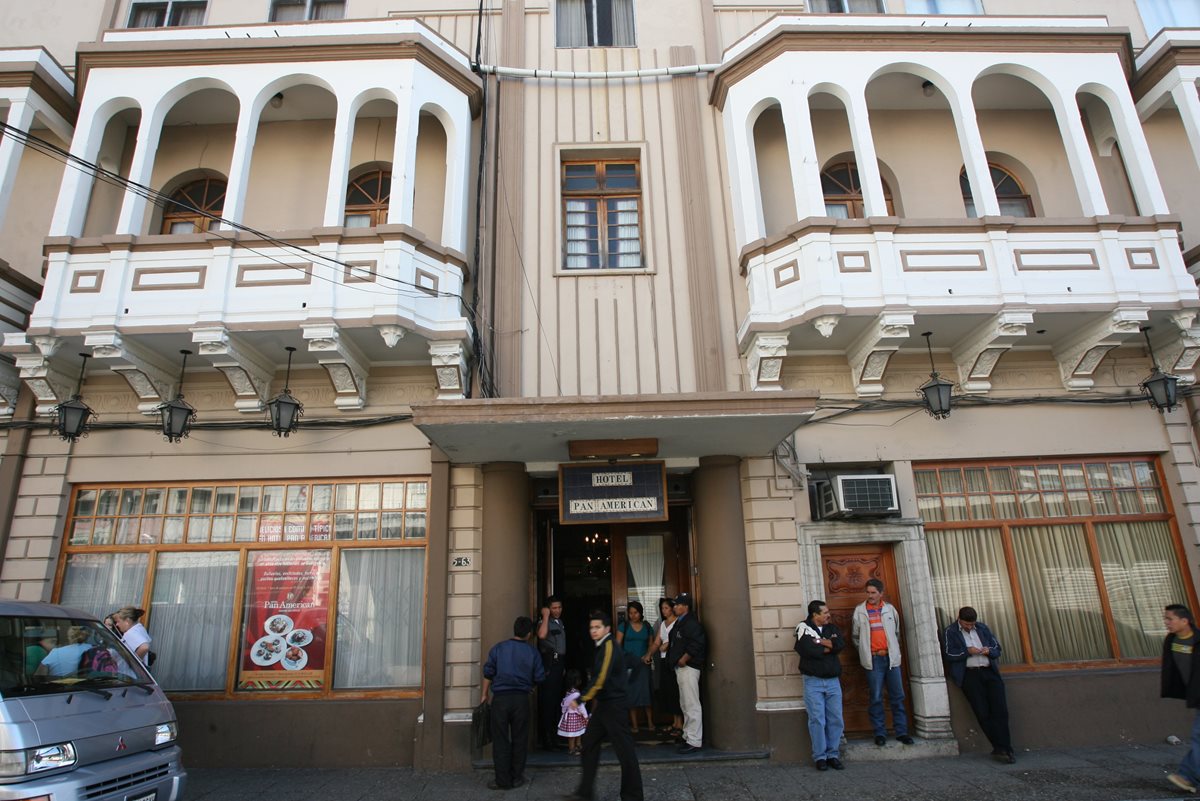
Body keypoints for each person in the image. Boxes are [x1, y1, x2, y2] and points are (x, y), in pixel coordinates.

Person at [564, 610, 643, 801]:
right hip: (606, 705)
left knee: (625, 753)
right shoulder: (601, 646)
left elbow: (600, 678)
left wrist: (581, 699)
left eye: (597, 627)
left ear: (607, 629)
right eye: (591, 627)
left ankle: (633, 796)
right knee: (589, 744)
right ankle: (585, 793)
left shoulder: (608, 645)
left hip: (614, 706)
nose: (594, 631)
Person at [481, 615, 545, 791]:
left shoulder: (498, 648)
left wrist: (484, 694)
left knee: (500, 739)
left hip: (500, 699)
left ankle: (502, 780)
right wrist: (530, 687)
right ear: (530, 633)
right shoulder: (532, 652)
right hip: (521, 700)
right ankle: (517, 777)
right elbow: (539, 677)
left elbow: (488, 672)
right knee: (520, 739)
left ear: (514, 630)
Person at [943, 606, 1014, 764]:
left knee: (1000, 710)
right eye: (967, 624)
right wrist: (968, 651)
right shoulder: (951, 631)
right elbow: (949, 654)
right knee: (982, 712)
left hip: (989, 672)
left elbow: (997, 648)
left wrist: (988, 651)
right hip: (970, 675)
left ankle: (1005, 748)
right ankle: (1000, 747)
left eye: (972, 624)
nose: (969, 627)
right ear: (959, 619)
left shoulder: (982, 628)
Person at [852, 578, 912, 746]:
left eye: (873, 593)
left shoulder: (889, 610)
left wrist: (892, 650)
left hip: (891, 659)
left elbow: (897, 633)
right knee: (876, 697)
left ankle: (901, 732)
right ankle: (880, 733)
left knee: (897, 696)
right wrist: (865, 651)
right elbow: (856, 637)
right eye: (868, 592)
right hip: (874, 659)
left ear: (881, 593)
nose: (870, 596)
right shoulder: (860, 611)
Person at [796, 599, 845, 771]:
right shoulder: (803, 628)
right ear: (814, 615)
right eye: (824, 613)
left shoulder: (832, 628)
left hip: (833, 681)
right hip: (813, 681)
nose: (828, 615)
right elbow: (808, 650)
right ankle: (820, 757)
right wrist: (827, 645)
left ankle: (833, 754)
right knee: (817, 719)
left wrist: (821, 642)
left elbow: (839, 645)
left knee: (836, 719)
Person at [1161, 603, 1200, 794]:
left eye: (1170, 618)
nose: (1166, 622)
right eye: (1165, 618)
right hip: (1197, 695)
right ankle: (1188, 777)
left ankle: (1188, 777)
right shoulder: (1172, 640)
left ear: (1185, 621)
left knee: (1199, 735)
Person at [666, 592, 706, 754]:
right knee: (685, 703)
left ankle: (694, 740)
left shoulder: (691, 623)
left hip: (688, 668)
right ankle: (688, 735)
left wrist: (684, 658)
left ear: (686, 606)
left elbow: (698, 643)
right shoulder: (681, 623)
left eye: (677, 604)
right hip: (681, 668)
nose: (675, 607)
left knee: (691, 704)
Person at [645, 597, 683, 738]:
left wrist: (668, 645)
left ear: (673, 608)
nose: (664, 610)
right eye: (662, 608)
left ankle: (680, 724)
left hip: (675, 661)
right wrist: (648, 654)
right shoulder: (663, 624)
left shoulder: (678, 623)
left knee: (676, 691)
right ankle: (674, 722)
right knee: (668, 691)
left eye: (666, 608)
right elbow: (656, 642)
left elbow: (680, 640)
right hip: (663, 661)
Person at [616, 600, 654, 734]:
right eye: (630, 613)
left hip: (643, 664)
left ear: (641, 613)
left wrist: (649, 656)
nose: (633, 615)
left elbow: (651, 645)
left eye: (635, 612)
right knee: (631, 694)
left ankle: (650, 722)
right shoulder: (623, 626)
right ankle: (635, 725)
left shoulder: (647, 626)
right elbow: (617, 645)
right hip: (628, 664)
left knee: (646, 693)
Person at [537, 595, 567, 750]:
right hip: (549, 663)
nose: (557, 610)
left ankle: (555, 736)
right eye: (554, 608)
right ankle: (547, 739)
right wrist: (545, 615)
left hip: (558, 663)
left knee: (556, 700)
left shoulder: (560, 622)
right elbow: (541, 635)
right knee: (548, 701)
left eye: (559, 607)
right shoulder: (545, 621)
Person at [557, 668, 589, 755]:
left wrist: (564, 712)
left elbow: (564, 704)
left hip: (570, 716)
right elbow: (581, 707)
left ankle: (577, 746)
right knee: (574, 734)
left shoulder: (568, 692)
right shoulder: (577, 694)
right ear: (577, 681)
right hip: (575, 716)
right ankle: (572, 749)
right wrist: (585, 716)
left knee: (575, 732)